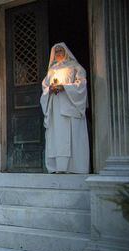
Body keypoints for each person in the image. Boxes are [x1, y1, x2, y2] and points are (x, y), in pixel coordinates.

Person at [40, 42, 89, 173]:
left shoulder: (75, 67)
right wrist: (50, 89)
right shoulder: (51, 71)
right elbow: (44, 86)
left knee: (71, 136)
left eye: (61, 51)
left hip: (70, 106)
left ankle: (74, 167)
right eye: (56, 51)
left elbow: (81, 84)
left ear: (66, 52)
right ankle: (58, 167)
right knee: (57, 136)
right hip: (55, 108)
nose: (58, 53)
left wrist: (65, 87)